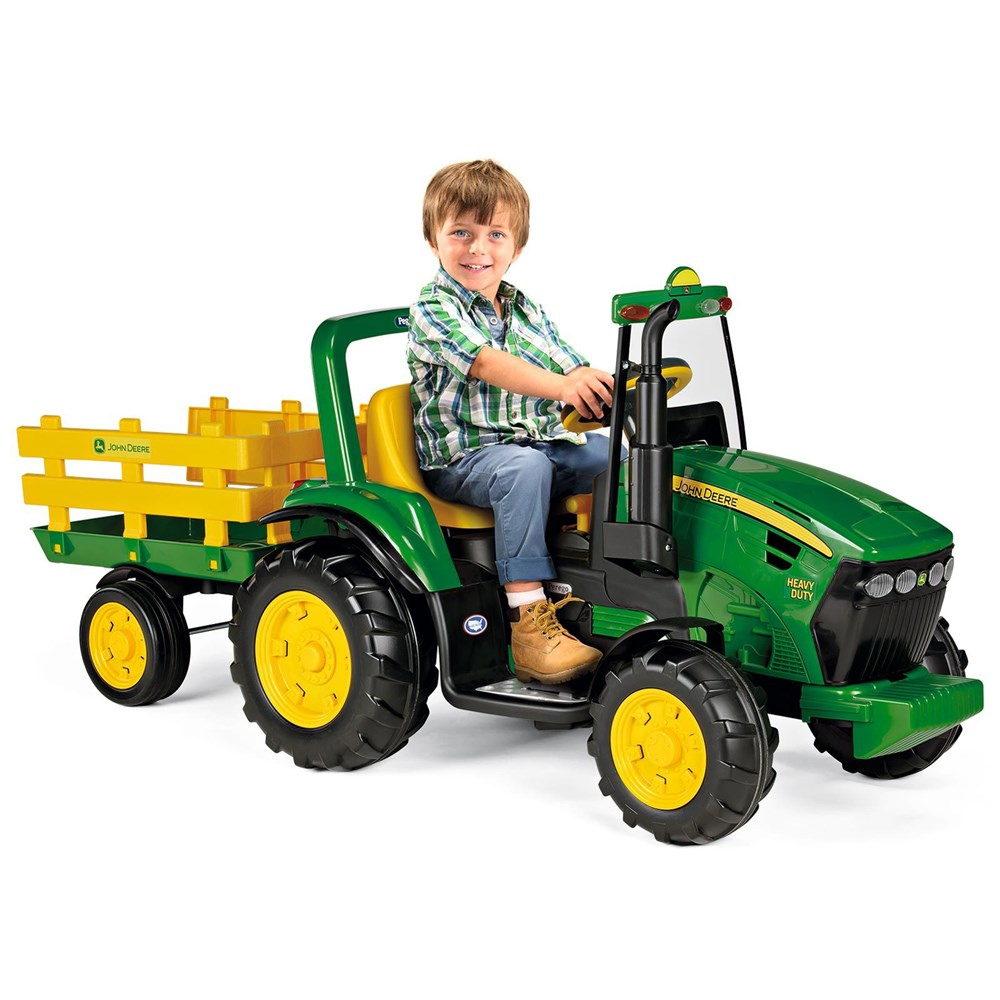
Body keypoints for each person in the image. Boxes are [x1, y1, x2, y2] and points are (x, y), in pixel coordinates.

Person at [408, 159, 618, 684]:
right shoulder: (434, 307)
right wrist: (563, 387)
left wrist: (601, 385)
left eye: (494, 234)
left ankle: (611, 577)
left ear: (516, 246)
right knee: (523, 471)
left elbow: (569, 363)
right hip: (464, 460)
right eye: (461, 232)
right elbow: (485, 362)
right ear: (434, 240)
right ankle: (529, 622)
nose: (478, 248)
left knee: (610, 457)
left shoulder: (524, 309)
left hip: (533, 444)